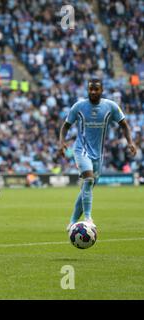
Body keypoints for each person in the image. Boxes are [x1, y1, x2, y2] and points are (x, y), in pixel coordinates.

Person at [58, 79, 137, 231]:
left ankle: (73, 221)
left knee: (86, 189)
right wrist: (62, 143)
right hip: (81, 150)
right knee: (88, 180)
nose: (93, 92)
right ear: (87, 90)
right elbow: (65, 126)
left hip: (98, 155)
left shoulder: (111, 106)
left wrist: (130, 142)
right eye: (90, 89)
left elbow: (124, 125)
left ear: (102, 90)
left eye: (96, 89)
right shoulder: (79, 106)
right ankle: (88, 218)